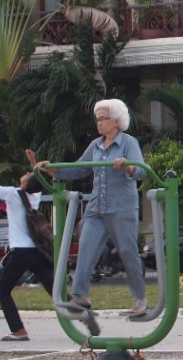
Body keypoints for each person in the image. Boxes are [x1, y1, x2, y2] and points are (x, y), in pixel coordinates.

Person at [32, 98, 148, 324]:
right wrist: (52, 169)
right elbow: (78, 169)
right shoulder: (96, 146)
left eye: (103, 119)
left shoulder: (128, 143)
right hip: (97, 207)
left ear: (116, 121)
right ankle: (81, 296)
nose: (99, 123)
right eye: (98, 119)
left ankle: (140, 300)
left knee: (127, 251)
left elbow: (141, 172)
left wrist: (128, 166)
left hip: (121, 206)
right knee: (85, 246)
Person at [0, 158, 53, 342]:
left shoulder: (14, 194)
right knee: (53, 290)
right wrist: (33, 162)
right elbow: (37, 181)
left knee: (3, 290)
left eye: (29, 174)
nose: (28, 173)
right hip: (37, 252)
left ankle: (19, 330)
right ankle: (81, 309)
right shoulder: (34, 196)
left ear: (26, 183)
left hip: (21, 252)